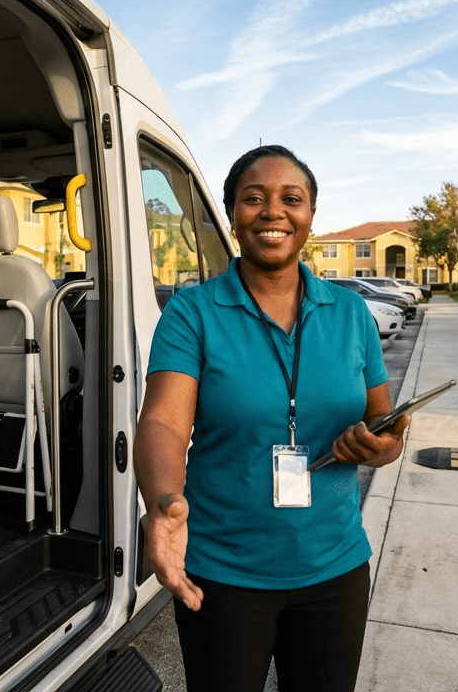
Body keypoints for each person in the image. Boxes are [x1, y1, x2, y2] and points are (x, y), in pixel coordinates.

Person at [135, 145, 410, 692]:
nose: (273, 212)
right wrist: (163, 503)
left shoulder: (351, 312)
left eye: (292, 199)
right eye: (253, 198)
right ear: (232, 212)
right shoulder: (193, 312)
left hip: (335, 568)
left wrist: (379, 445)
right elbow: (164, 423)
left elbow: (388, 425)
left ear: (310, 215)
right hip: (223, 570)